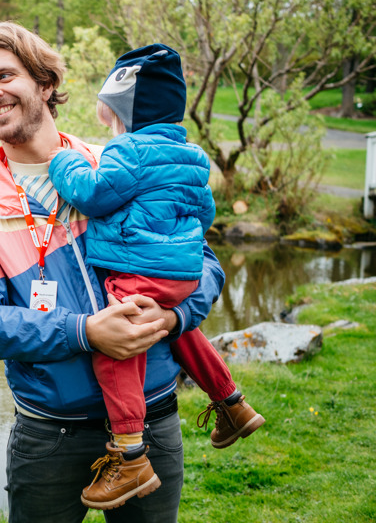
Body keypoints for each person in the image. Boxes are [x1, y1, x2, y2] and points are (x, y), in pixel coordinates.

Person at [0, 21, 225, 523]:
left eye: (5, 75)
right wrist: (84, 332)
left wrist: (174, 319)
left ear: (45, 83)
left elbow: (204, 264)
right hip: (49, 435)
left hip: (152, 419)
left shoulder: (114, 164)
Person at [48, 44, 265, 510]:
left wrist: (62, 160)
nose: (106, 122)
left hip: (139, 269)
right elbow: (204, 214)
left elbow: (92, 194)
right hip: (182, 273)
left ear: (125, 110)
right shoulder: (193, 155)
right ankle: (232, 402)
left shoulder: (130, 150)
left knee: (118, 348)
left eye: (109, 112)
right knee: (176, 330)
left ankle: (130, 455)